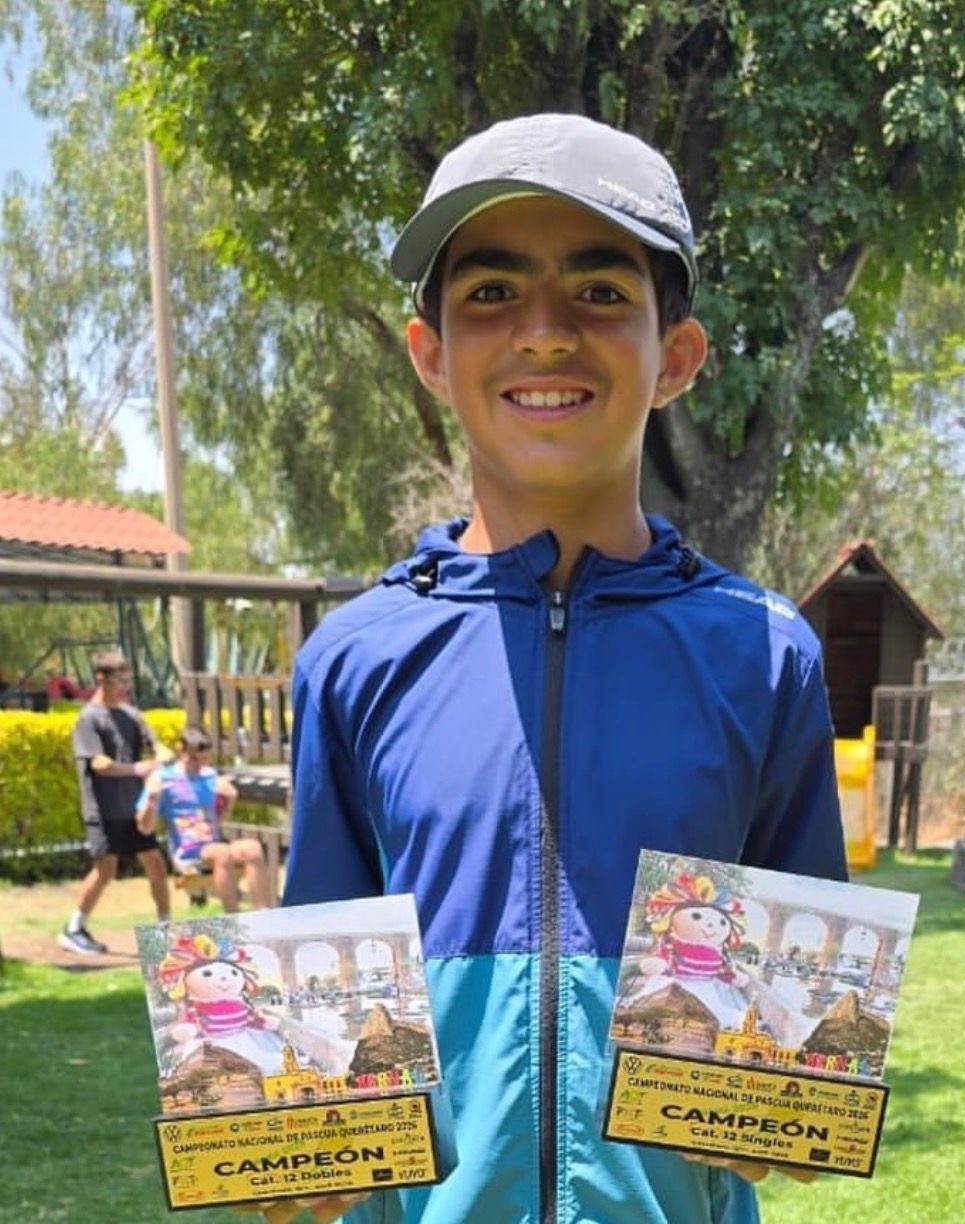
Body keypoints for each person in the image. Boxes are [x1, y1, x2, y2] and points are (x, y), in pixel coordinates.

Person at [282, 113, 846, 1224]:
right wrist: (299, 1150)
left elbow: (805, 1016)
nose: (543, 334)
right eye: (492, 291)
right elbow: (318, 1005)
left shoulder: (765, 654)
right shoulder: (353, 659)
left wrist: (799, 1096)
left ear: (675, 357)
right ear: (430, 354)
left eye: (598, 291)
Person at [59, 649, 172, 954]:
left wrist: (162, 754)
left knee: (156, 864)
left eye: (127, 680)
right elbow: (99, 764)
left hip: (134, 809)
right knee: (105, 869)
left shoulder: (132, 715)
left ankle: (165, 931)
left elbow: (157, 745)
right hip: (102, 809)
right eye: (118, 680)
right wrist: (137, 768)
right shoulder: (88, 719)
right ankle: (73, 928)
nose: (124, 686)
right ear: (101, 678)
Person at [136, 725, 273, 911]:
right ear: (181, 750)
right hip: (188, 853)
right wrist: (152, 801)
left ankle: (264, 913)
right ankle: (234, 917)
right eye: (194, 759)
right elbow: (145, 828)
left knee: (253, 848)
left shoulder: (209, 776)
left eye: (204, 759)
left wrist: (230, 800)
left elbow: (219, 821)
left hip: (213, 846)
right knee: (221, 852)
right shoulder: (163, 778)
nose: (199, 765)